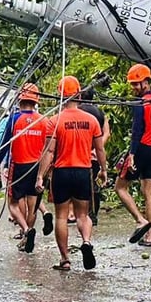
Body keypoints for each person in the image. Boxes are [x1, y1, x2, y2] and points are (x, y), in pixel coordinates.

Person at [39, 76, 107, 271]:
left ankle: (65, 259)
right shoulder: (91, 120)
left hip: (61, 172)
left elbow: (50, 152)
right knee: (83, 215)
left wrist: (40, 175)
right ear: (79, 94)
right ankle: (86, 241)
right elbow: (100, 149)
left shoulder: (54, 121)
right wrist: (103, 170)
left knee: (61, 216)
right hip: (83, 171)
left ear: (60, 95)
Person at [0, 83, 50, 253]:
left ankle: (26, 230)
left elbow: (4, 143)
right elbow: (48, 148)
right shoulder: (44, 120)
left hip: (18, 166)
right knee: (32, 205)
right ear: (36, 101)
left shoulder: (13, 119)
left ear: (20, 99)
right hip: (36, 167)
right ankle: (27, 237)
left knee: (13, 204)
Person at [115, 63, 151, 246]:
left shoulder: (139, 103)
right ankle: (149, 236)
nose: (134, 88)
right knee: (147, 191)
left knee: (120, 187)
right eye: (132, 84)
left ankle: (139, 220)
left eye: (136, 84)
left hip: (141, 149)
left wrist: (132, 155)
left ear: (145, 82)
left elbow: (137, 130)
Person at [78, 86, 110, 226]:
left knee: (81, 186)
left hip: (80, 154)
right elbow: (106, 133)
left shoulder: (77, 111)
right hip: (96, 155)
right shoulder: (100, 113)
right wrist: (97, 147)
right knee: (95, 185)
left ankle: (82, 215)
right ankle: (93, 215)